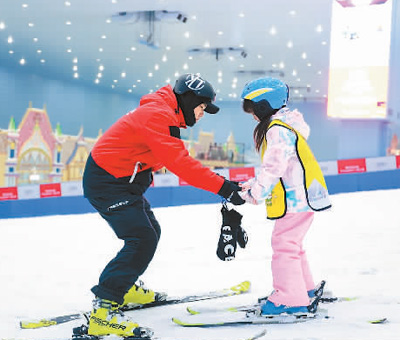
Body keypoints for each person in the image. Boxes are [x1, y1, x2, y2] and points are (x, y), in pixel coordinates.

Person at [82, 73, 244, 337]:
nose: (202, 114)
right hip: (108, 182)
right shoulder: (158, 115)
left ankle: (126, 287)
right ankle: (104, 310)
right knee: (141, 238)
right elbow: (180, 163)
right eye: (202, 107)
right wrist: (223, 187)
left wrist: (224, 183)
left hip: (119, 183)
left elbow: (170, 157)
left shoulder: (163, 113)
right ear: (189, 99)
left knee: (151, 231)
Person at [238, 77, 331, 315]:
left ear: (264, 105)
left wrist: (256, 193)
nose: (252, 116)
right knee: (293, 245)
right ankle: (304, 289)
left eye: (253, 110)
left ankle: (289, 299)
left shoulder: (277, 130)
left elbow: (274, 168)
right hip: (300, 199)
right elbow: (282, 169)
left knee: (284, 245)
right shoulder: (286, 127)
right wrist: (251, 185)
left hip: (295, 201)